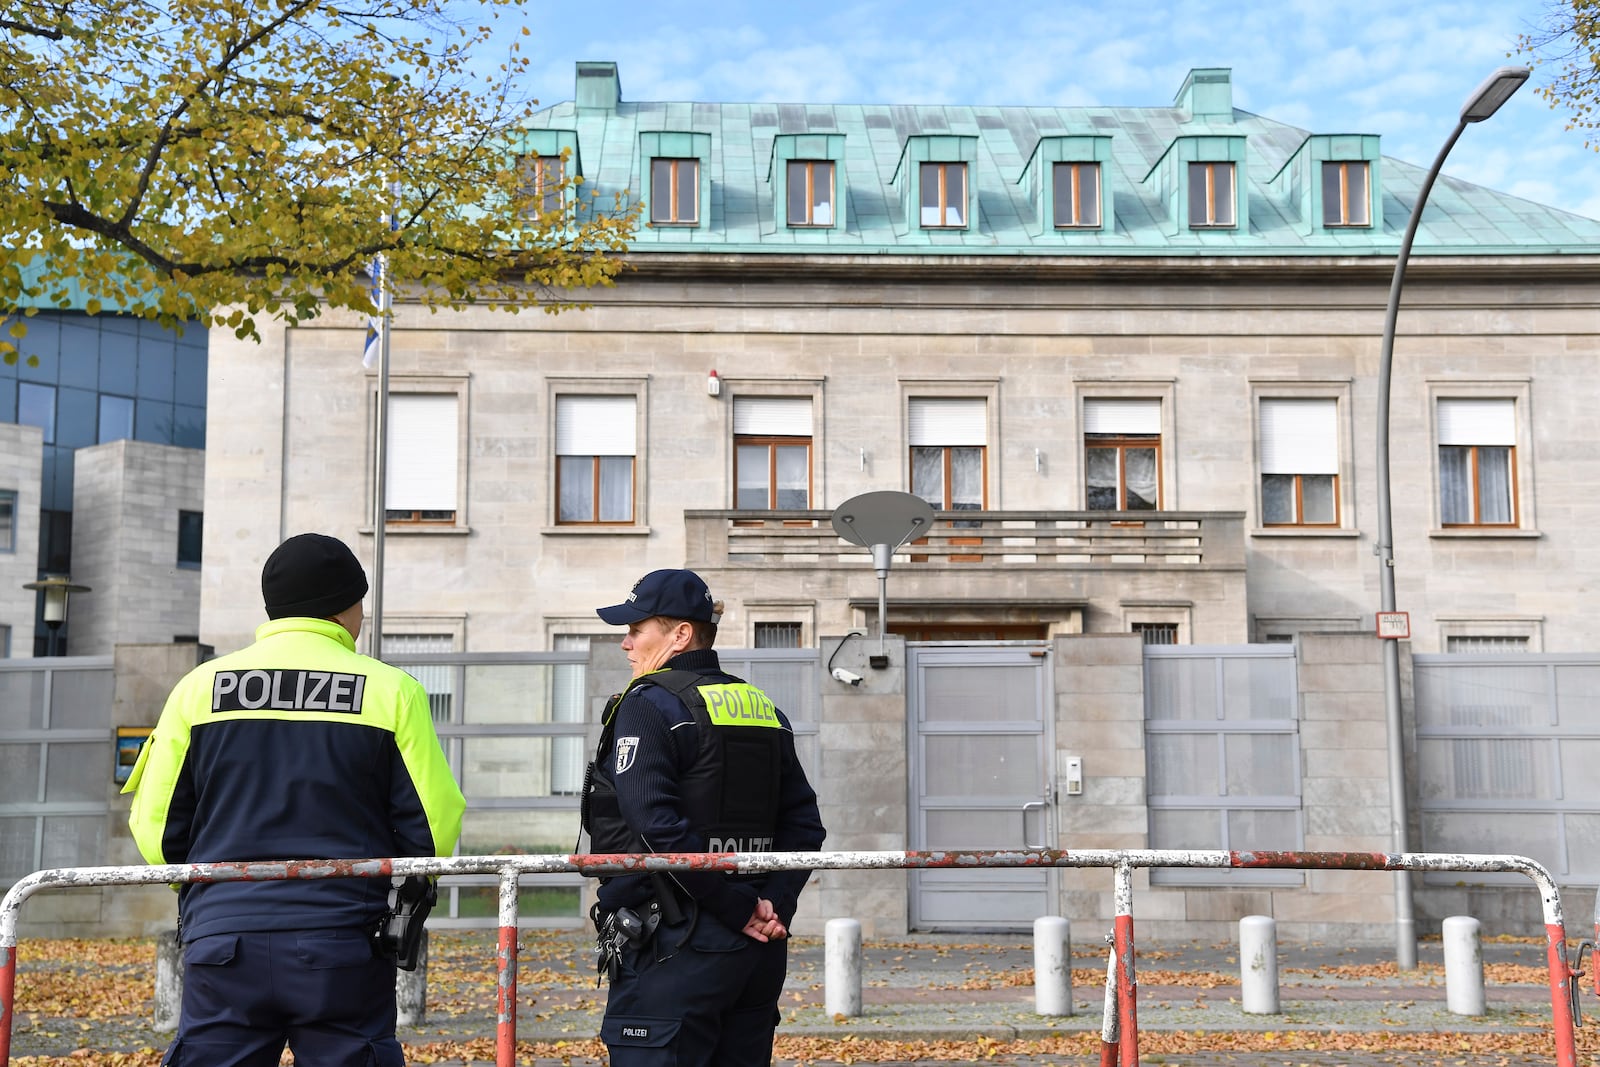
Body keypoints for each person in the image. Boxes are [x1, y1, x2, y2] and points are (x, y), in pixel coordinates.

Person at [122, 532, 465, 1067]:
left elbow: (156, 829)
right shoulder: (391, 691)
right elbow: (432, 828)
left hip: (223, 939)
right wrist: (406, 888)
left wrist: (209, 894)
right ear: (345, 608)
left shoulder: (198, 688)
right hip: (343, 942)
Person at [583, 568, 826, 1067]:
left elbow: (655, 826)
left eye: (636, 630)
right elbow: (804, 823)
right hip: (755, 952)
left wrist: (739, 908)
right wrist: (773, 905)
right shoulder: (761, 705)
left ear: (680, 635)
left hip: (675, 943)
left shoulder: (648, 703)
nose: (626, 644)